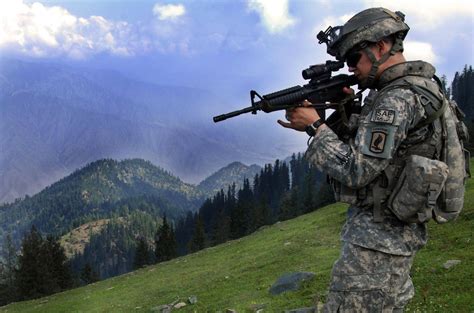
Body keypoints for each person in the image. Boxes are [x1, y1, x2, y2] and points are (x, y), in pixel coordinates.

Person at [278, 7, 448, 312]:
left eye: (354, 58)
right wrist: (343, 112)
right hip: (393, 237)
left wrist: (315, 127)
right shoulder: (417, 87)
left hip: (376, 245)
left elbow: (357, 170)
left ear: (381, 46)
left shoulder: (394, 100)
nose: (351, 68)